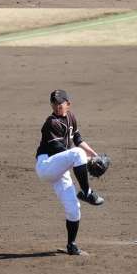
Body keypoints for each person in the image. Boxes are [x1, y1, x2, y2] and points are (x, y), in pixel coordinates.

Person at [35, 89, 104, 256]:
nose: (57, 106)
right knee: (78, 153)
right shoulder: (51, 123)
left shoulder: (71, 117)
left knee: (74, 208)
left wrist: (95, 155)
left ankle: (71, 245)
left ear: (68, 104)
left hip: (60, 168)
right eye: (54, 103)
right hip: (47, 165)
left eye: (60, 103)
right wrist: (87, 160)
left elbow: (77, 138)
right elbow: (60, 149)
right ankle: (87, 192)